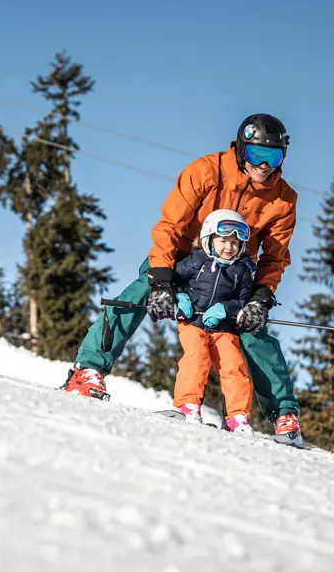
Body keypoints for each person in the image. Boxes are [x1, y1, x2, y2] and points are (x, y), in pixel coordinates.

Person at [62, 113, 305, 445]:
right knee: (137, 294)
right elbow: (169, 226)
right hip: (182, 261)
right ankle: (86, 371)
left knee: (251, 326)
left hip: (233, 274)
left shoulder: (283, 198)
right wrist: (163, 281)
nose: (263, 165)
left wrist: (261, 297)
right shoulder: (206, 171)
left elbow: (275, 257)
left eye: (273, 157)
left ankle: (283, 414)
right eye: (255, 155)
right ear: (240, 149)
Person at [172, 210, 256, 432]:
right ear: (209, 239)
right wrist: (180, 297)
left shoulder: (243, 270)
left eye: (235, 243)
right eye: (223, 241)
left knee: (234, 366)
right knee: (196, 357)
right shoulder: (196, 260)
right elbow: (174, 279)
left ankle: (238, 417)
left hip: (224, 328)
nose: (229, 247)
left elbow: (244, 301)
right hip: (193, 322)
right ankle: (187, 405)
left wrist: (225, 308)